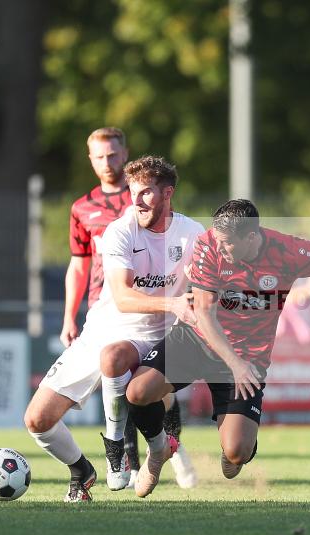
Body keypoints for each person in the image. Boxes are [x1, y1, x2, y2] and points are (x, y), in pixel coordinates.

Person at [124, 199, 310, 497]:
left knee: (235, 456)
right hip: (197, 340)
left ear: (251, 238)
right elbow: (204, 314)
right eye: (218, 240)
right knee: (137, 392)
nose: (220, 247)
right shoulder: (208, 245)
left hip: (248, 355)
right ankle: (159, 448)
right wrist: (235, 364)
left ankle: (233, 445)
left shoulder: (288, 252)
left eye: (228, 243)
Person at [24, 155, 203, 501]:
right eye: (133, 192)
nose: (136, 201)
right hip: (103, 329)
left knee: (123, 366)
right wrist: (176, 303)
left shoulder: (192, 233)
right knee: (37, 420)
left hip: (157, 337)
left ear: (168, 194)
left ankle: (129, 451)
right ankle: (82, 470)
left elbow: (211, 282)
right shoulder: (120, 231)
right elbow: (123, 297)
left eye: (146, 193)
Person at [60, 128, 194, 491]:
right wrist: (69, 315)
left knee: (157, 391)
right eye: (99, 156)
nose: (107, 162)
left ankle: (173, 450)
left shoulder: (149, 202)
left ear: (125, 153)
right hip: (113, 310)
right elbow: (79, 265)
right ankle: (127, 459)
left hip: (162, 313)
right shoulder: (83, 209)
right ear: (90, 159)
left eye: (113, 154)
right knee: (119, 375)